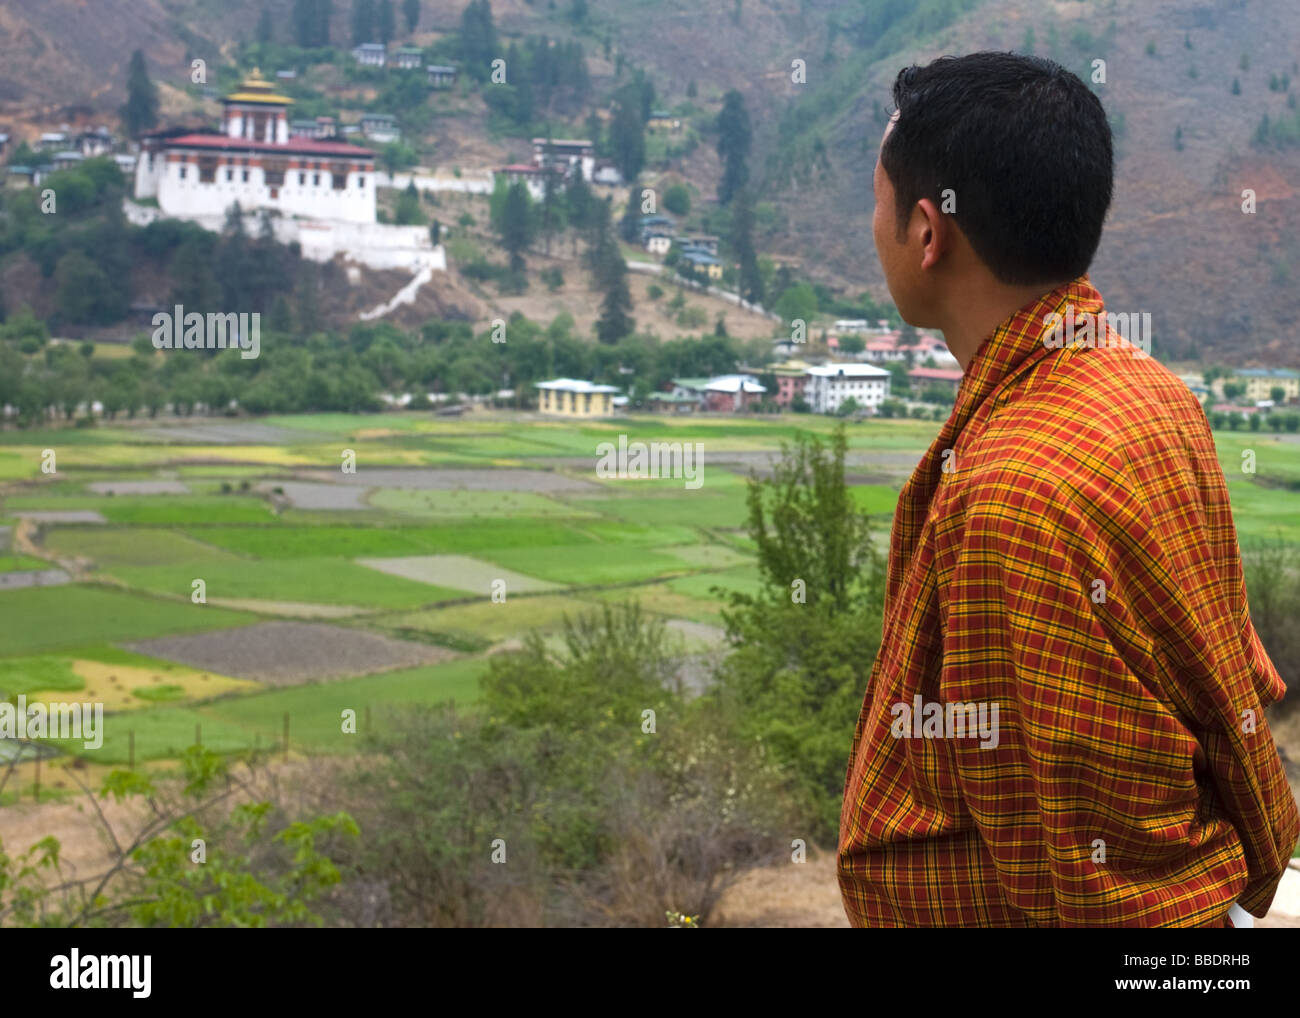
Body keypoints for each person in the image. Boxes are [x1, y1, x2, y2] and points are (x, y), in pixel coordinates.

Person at [838, 51, 1300, 927]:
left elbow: (1090, 883)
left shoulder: (1009, 493)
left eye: (876, 203)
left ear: (929, 233)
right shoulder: (1148, 388)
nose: (874, 227)